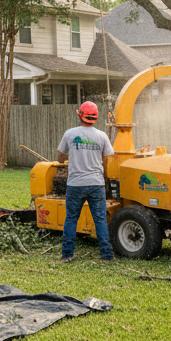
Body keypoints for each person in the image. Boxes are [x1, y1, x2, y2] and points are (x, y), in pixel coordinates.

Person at [57, 100, 115, 262]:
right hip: (96, 184)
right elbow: (107, 160)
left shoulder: (70, 134)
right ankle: (107, 256)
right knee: (100, 219)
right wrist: (103, 178)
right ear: (95, 118)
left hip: (75, 184)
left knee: (71, 219)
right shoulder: (102, 136)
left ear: (80, 115)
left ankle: (67, 255)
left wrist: (71, 156)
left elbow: (60, 157)